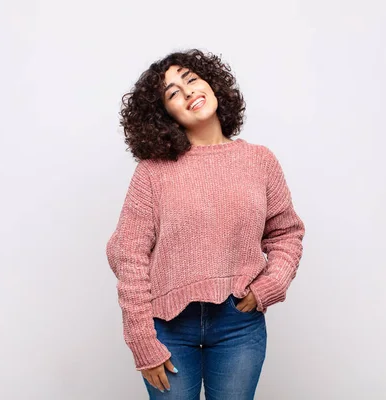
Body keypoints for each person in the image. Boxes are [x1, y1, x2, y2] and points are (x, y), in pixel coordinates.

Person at [106, 48, 305, 399]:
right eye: (173, 94)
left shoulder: (258, 160)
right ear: (164, 113)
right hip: (167, 328)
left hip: (238, 325)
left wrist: (270, 284)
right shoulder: (152, 173)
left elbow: (286, 233)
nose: (188, 93)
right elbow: (129, 256)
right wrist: (141, 340)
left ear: (212, 85)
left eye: (192, 81)